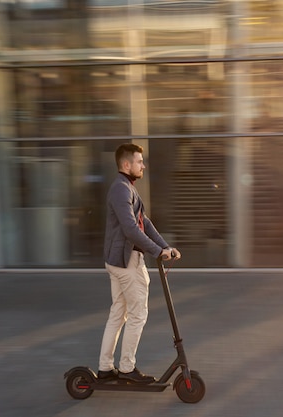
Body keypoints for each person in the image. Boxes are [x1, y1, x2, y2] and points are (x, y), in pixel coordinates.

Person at [98, 142, 181, 384]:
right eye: (138, 161)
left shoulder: (126, 188)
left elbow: (144, 221)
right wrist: (157, 251)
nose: (143, 165)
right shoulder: (122, 190)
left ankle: (105, 368)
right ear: (126, 164)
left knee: (118, 314)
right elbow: (131, 230)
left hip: (118, 261)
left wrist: (164, 247)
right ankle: (126, 369)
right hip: (127, 263)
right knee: (138, 314)